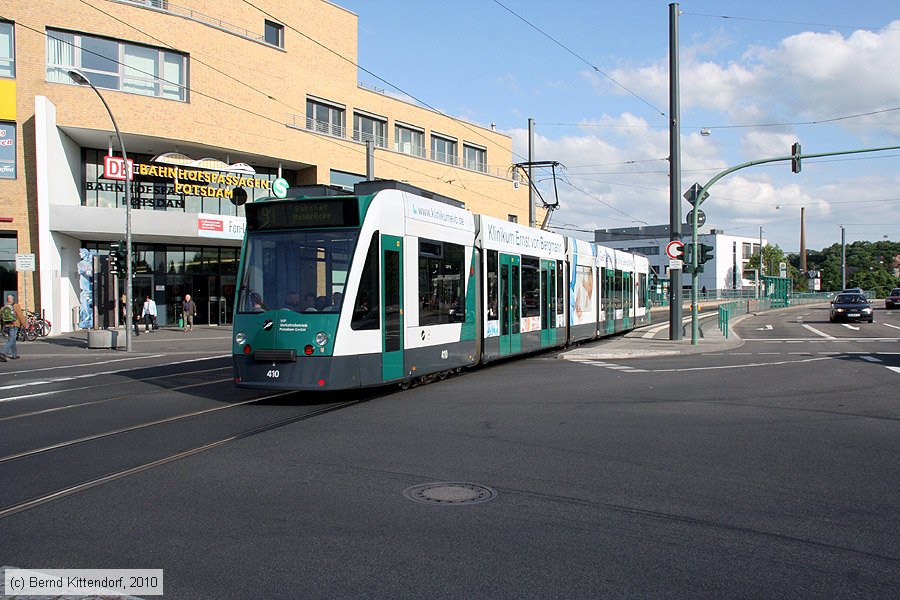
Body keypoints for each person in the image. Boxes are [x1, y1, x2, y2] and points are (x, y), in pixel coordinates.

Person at [0, 294, 26, 361]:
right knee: (11, 340)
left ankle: (14, 354)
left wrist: (2, 325)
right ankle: (3, 353)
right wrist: (25, 324)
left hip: (6, 325)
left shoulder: (3, 307)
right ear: (13, 299)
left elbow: (1, 317)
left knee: (12, 339)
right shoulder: (15, 305)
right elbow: (20, 316)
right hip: (14, 325)